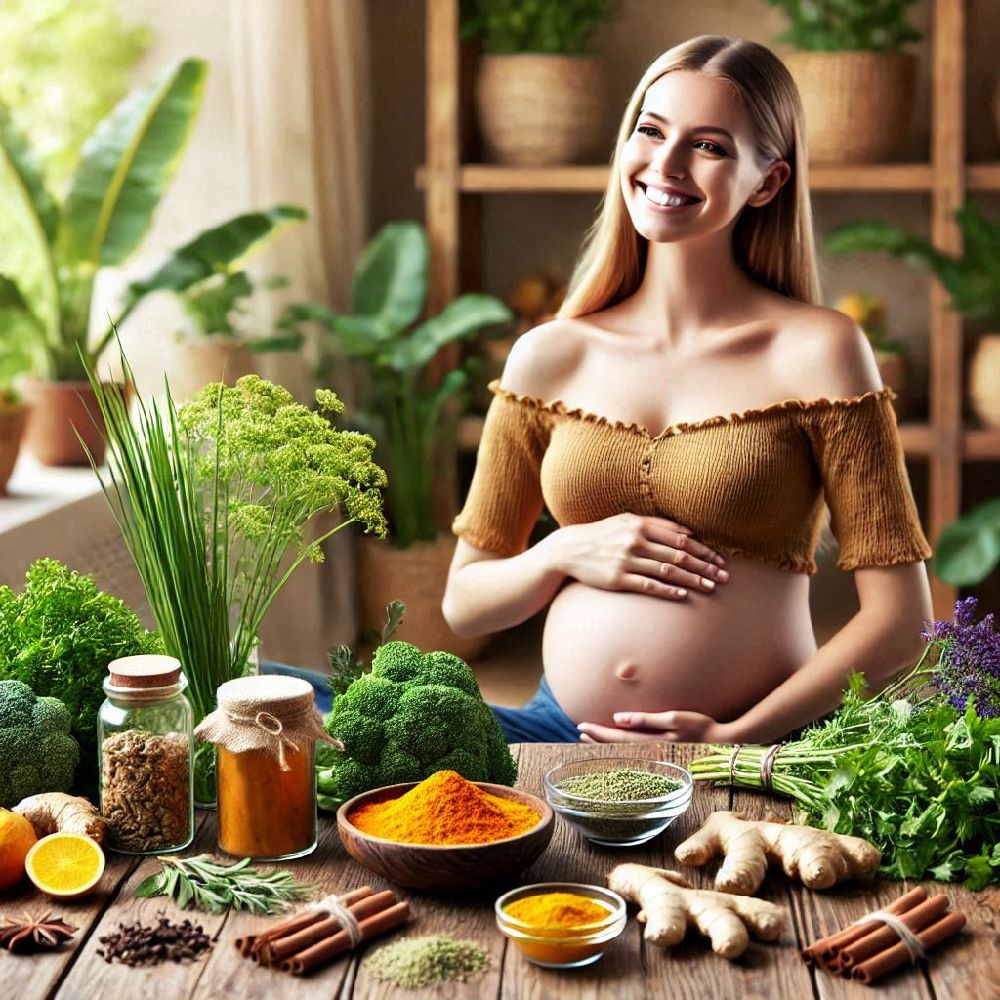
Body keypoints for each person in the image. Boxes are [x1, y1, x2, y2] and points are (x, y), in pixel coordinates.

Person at [442, 35, 933, 747]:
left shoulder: (821, 351)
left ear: (767, 182)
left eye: (708, 146)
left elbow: (897, 623)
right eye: (650, 130)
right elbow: (466, 603)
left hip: (760, 747)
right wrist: (562, 553)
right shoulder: (548, 356)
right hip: (561, 736)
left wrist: (730, 742)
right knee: (285, 699)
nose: (665, 165)